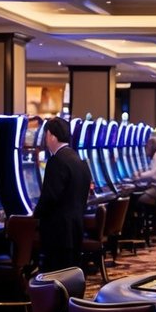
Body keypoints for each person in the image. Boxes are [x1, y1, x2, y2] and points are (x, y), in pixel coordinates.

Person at [34, 116, 92, 272]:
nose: (45, 141)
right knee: (70, 275)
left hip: (58, 232)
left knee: (56, 276)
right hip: (75, 229)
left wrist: (34, 215)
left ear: (52, 136)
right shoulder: (79, 160)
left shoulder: (57, 161)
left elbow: (50, 197)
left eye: (46, 135)